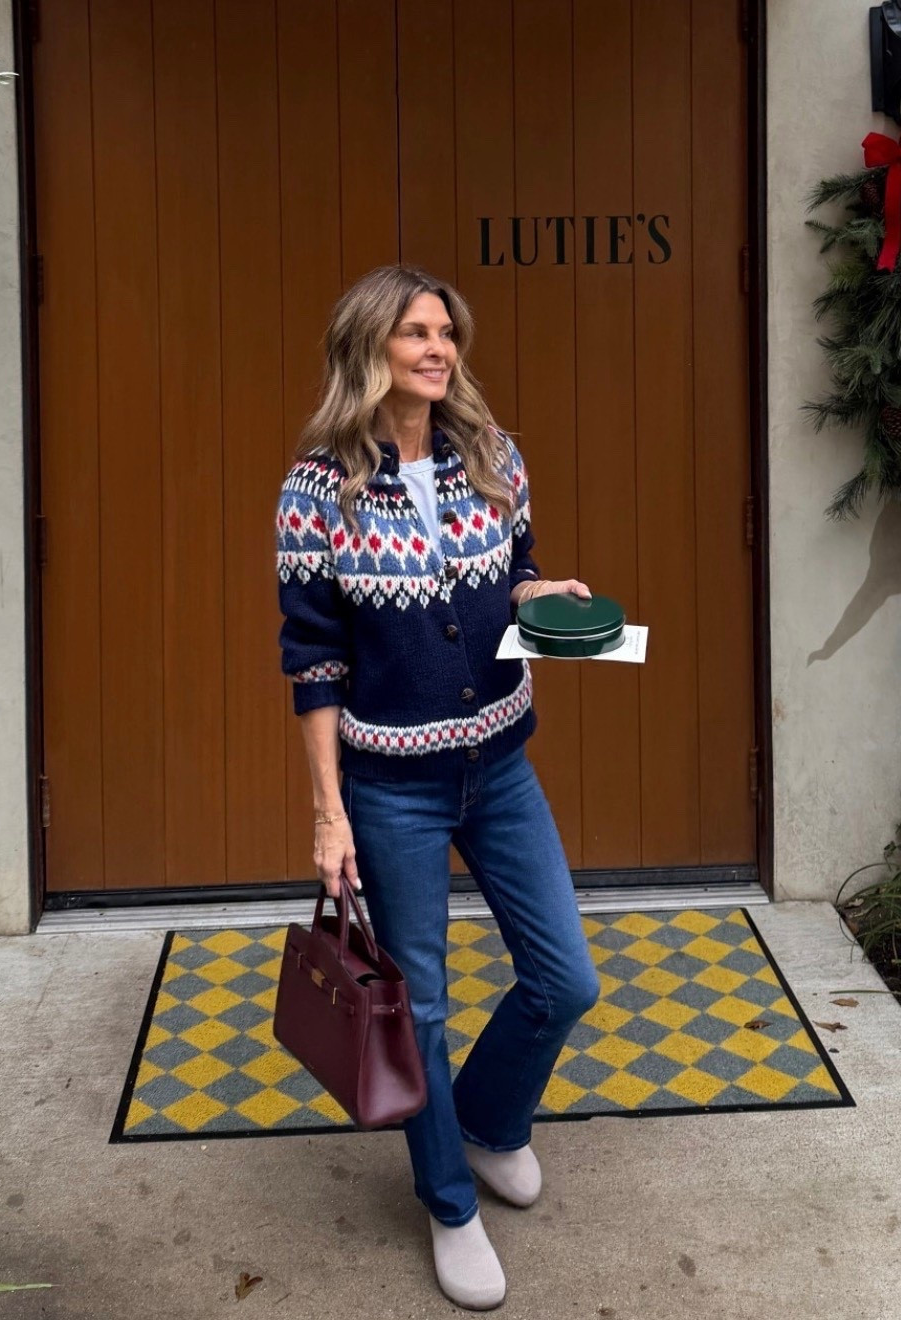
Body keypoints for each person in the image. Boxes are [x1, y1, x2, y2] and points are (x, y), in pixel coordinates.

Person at [274, 263, 601, 1311]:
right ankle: (449, 1201)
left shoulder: (491, 456)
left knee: (566, 979)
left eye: (446, 332)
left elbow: (516, 570)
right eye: (415, 332)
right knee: (418, 1006)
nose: (438, 349)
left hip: (500, 766)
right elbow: (314, 660)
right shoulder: (316, 488)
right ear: (369, 346)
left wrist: (542, 590)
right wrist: (330, 814)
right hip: (392, 787)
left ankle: (491, 1119)